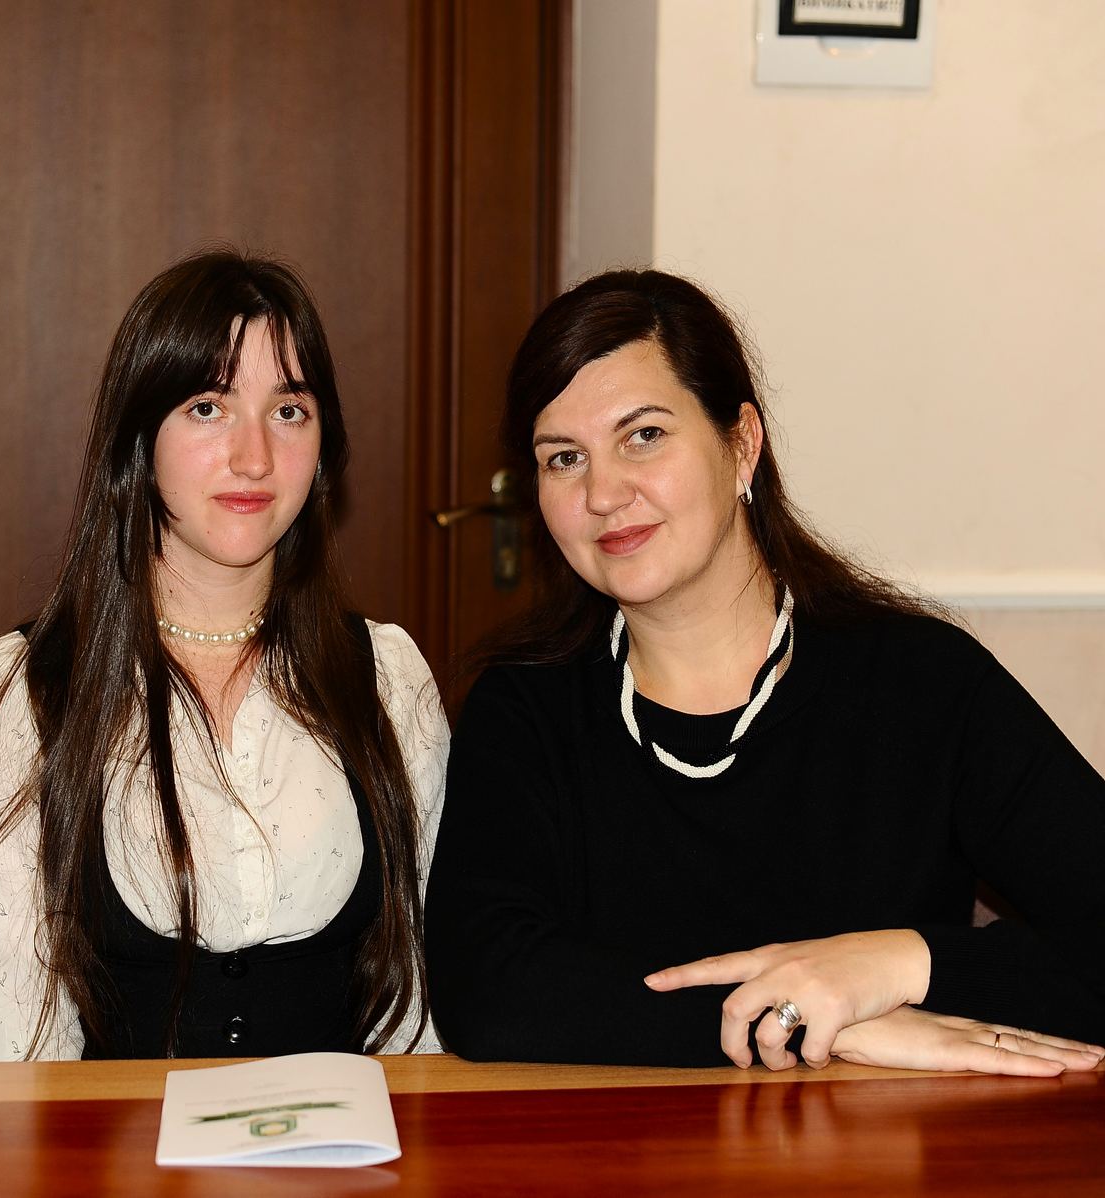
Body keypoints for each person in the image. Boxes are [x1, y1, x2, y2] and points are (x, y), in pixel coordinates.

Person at [426, 269, 1105, 1075]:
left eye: (644, 436)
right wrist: (816, 1024)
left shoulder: (921, 683)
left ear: (741, 444)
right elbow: (486, 990)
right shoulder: (524, 707)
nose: (603, 493)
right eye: (564, 458)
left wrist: (893, 967)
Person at [0, 250, 448, 1061]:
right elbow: (20, 1057)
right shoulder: (23, 692)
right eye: (208, 407)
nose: (255, 457)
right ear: (139, 438)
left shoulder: (388, 676)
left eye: (289, 410)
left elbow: (416, 1019)